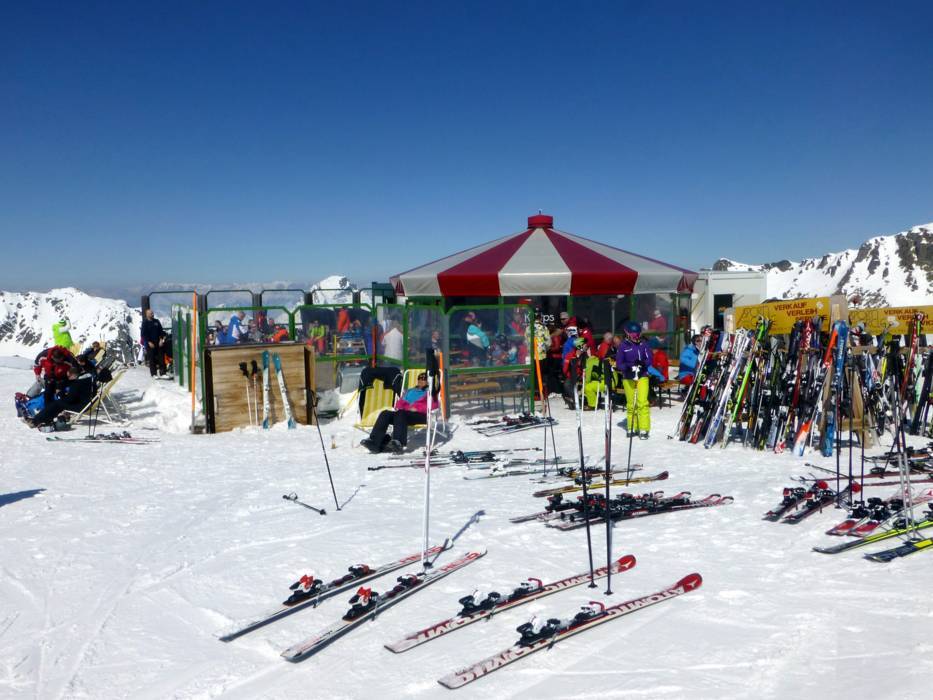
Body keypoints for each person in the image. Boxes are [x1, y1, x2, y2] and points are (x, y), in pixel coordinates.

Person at [360, 372, 430, 454]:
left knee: (401, 413)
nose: (421, 380)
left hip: (421, 415)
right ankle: (374, 442)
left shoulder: (430, 392)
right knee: (385, 413)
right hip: (404, 414)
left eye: (424, 379)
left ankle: (398, 443)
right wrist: (406, 407)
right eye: (420, 378)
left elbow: (434, 405)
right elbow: (399, 404)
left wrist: (417, 408)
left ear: (428, 381)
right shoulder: (410, 391)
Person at [616, 321, 653, 439]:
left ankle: (643, 428)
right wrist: (628, 366)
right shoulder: (623, 346)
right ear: (627, 334)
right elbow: (619, 363)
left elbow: (649, 359)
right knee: (631, 403)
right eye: (633, 334)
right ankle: (632, 426)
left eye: (637, 334)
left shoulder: (644, 345)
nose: (635, 337)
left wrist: (643, 363)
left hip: (642, 376)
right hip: (628, 377)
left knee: (642, 402)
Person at [26, 365, 95, 428]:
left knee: (57, 404)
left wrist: (60, 394)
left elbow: (69, 399)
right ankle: (43, 419)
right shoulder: (89, 379)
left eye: (69, 376)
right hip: (88, 403)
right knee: (57, 404)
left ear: (74, 375)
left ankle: (35, 421)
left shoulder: (77, 383)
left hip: (81, 406)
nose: (68, 379)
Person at [141, 309, 166, 377]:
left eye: (152, 313)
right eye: (151, 313)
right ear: (147, 314)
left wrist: (161, 339)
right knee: (152, 359)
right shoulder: (145, 323)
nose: (152, 314)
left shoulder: (156, 321)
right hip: (150, 344)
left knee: (161, 358)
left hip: (159, 343)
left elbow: (161, 331)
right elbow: (143, 334)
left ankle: (163, 373)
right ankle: (154, 374)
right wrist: (149, 342)